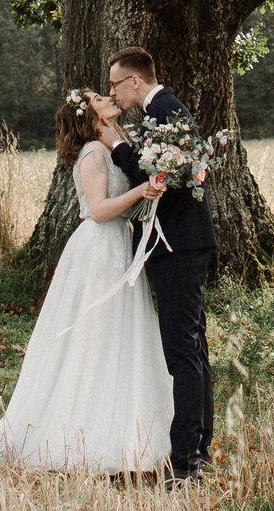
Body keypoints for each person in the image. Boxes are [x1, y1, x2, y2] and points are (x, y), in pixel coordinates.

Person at [0, 89, 173, 473]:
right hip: (99, 250)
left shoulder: (113, 145)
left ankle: (125, 424)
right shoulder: (93, 152)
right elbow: (97, 210)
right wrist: (142, 190)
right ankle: (82, 430)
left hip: (118, 246)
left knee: (120, 334)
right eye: (97, 98)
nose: (108, 97)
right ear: (88, 116)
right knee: (95, 334)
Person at [105, 45, 216, 485]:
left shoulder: (166, 109)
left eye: (116, 83)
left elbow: (150, 172)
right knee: (192, 347)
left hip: (180, 246)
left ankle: (186, 461)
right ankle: (198, 448)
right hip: (180, 245)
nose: (113, 92)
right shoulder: (162, 111)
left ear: (135, 80)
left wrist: (115, 144)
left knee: (182, 351)